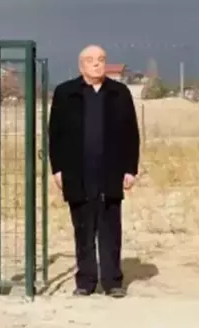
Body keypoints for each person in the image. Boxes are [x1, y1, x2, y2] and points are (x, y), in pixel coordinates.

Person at [48, 45, 140, 298]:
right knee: (83, 228)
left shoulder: (119, 93)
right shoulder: (65, 93)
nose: (96, 64)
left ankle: (112, 282)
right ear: (81, 66)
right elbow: (55, 134)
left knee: (111, 227)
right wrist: (57, 169)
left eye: (101, 60)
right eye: (90, 60)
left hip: (111, 170)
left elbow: (131, 133)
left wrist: (130, 169)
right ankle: (85, 281)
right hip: (77, 171)